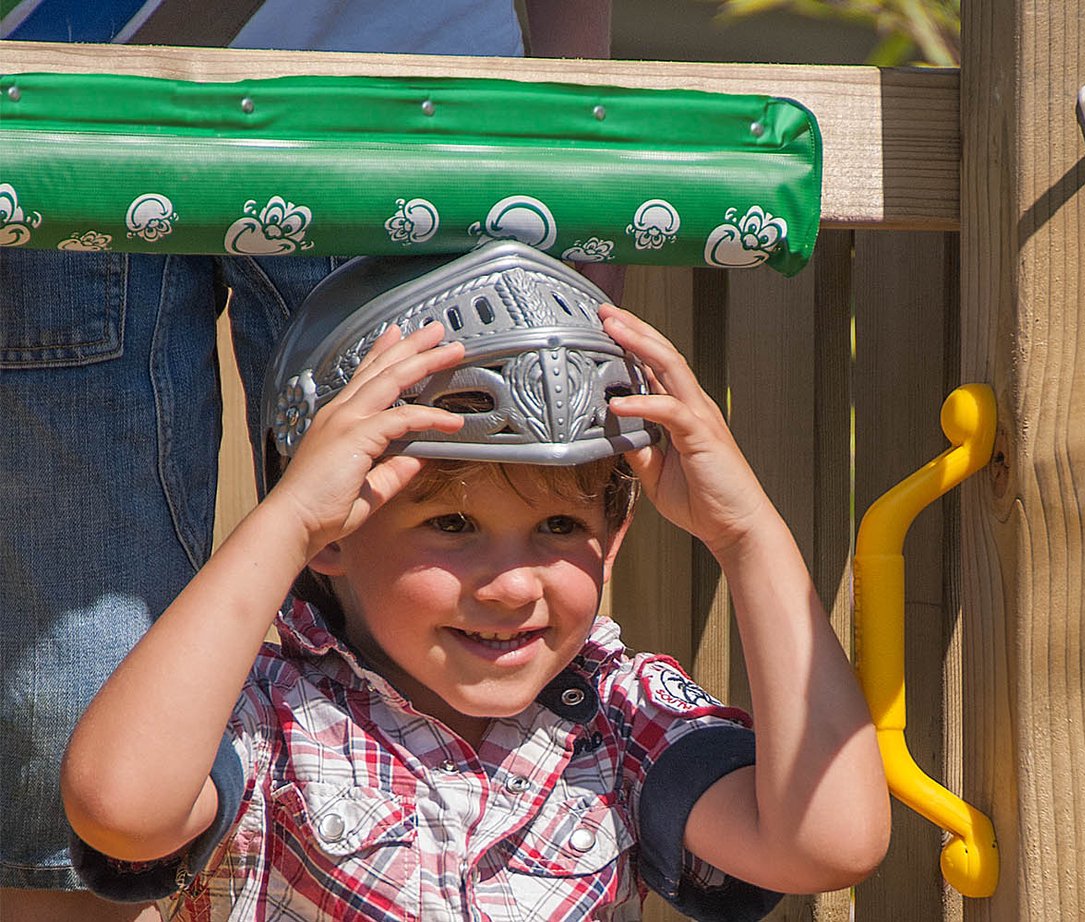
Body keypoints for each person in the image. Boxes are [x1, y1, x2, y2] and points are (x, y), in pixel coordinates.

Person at [58, 242, 891, 921]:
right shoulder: (271, 715)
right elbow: (122, 808)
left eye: (561, 527)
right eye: (453, 526)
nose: (512, 585)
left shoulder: (622, 721)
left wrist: (747, 536)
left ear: (613, 539)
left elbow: (828, 841)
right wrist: (284, 522)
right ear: (332, 535)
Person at [0, 5, 612, 921]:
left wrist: (575, 114)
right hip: (67, 90)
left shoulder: (625, 709)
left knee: (452, 619)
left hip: (404, 106)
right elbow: (111, 809)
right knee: (77, 723)